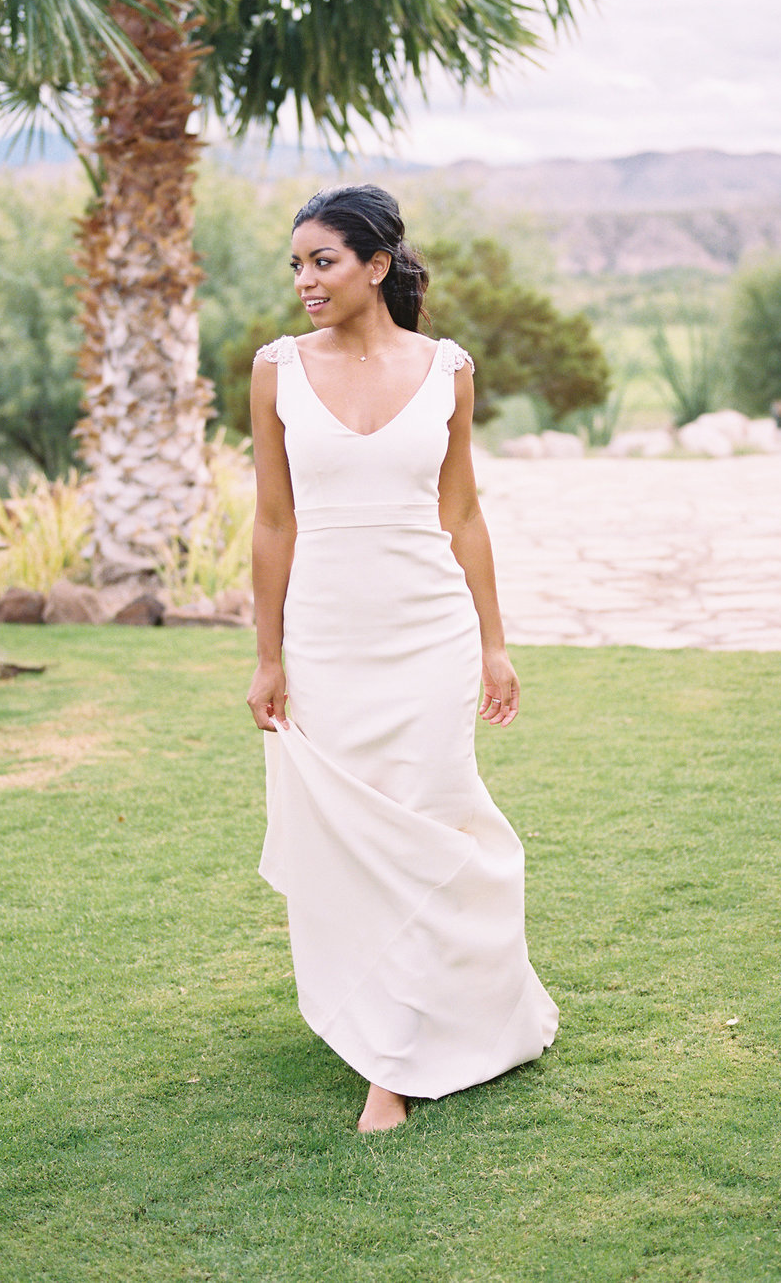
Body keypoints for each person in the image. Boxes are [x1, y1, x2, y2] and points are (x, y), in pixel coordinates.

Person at [245, 184, 558, 1134]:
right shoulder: (275, 371)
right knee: (351, 834)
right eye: (296, 264)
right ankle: (384, 1017)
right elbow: (271, 520)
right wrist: (269, 656)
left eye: (322, 261)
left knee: (427, 819)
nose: (305, 280)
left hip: (430, 633)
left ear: (376, 266)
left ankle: (397, 1062)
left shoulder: (448, 369)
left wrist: (495, 643)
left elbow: (462, 514)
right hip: (329, 636)